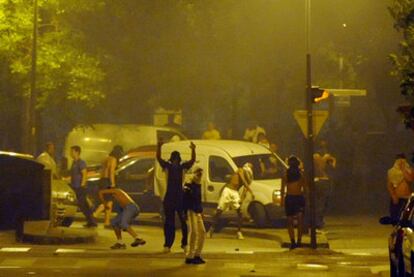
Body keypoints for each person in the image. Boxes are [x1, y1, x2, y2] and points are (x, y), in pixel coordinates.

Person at [157, 140, 196, 253]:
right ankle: (183, 244)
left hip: (170, 197)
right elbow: (192, 160)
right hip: (179, 197)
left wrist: (159, 146)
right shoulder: (182, 166)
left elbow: (159, 158)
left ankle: (168, 245)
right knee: (182, 221)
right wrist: (193, 149)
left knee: (170, 222)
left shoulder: (169, 166)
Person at [209, 163, 254, 240]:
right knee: (219, 211)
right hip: (227, 190)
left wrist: (241, 200)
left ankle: (239, 232)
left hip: (235, 193)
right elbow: (243, 180)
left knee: (240, 213)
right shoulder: (240, 170)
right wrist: (251, 191)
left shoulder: (249, 179)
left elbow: (244, 191)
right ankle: (211, 230)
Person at [93, 145, 124, 228]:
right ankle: (95, 215)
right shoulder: (113, 159)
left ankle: (106, 222)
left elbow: (102, 170)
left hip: (102, 181)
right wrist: (112, 184)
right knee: (109, 201)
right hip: (107, 181)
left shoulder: (106, 158)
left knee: (108, 202)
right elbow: (111, 172)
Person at [281, 156, 306, 249]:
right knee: (300, 221)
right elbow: (305, 188)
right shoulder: (301, 174)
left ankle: (293, 241)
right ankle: (298, 241)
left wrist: (282, 201)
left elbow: (282, 188)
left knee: (290, 221)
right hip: (298, 197)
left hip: (290, 198)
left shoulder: (286, 174)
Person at [183, 166, 206, 265]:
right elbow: (188, 201)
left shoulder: (198, 185)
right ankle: (190, 256)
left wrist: (200, 211)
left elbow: (198, 200)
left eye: (200, 174)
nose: (199, 176)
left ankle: (197, 254)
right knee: (195, 232)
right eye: (197, 174)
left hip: (197, 211)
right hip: (192, 211)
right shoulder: (189, 186)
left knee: (202, 232)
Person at [69, 145, 97, 228]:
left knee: (83, 205)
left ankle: (92, 221)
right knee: (82, 205)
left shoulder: (81, 162)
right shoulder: (74, 162)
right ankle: (91, 221)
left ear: (77, 152)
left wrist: (82, 184)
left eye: (72, 151)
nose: (70, 153)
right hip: (74, 186)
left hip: (80, 187)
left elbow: (84, 174)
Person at [313, 140, 336, 229]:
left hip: (316, 180)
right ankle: (319, 220)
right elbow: (333, 166)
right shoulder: (327, 157)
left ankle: (317, 220)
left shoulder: (314, 156)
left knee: (317, 201)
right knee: (322, 202)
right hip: (324, 180)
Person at [387, 153, 414, 221]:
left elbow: (410, 179)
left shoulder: (410, 170)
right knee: (395, 217)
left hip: (407, 198)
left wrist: (403, 169)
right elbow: (390, 185)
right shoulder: (391, 172)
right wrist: (394, 196)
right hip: (397, 197)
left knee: (406, 217)